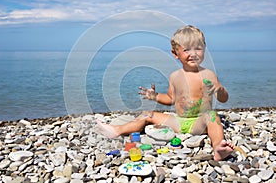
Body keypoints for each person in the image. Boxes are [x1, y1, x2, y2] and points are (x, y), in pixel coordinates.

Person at [97, 25, 234, 161]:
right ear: (175, 53)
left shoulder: (208, 75)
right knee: (146, 114)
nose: (193, 54)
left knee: (212, 116)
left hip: (199, 122)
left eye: (198, 48)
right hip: (179, 121)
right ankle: (118, 130)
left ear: (204, 49)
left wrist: (220, 90)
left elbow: (223, 99)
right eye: (187, 49)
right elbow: (170, 99)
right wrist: (155, 96)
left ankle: (218, 148)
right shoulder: (175, 76)